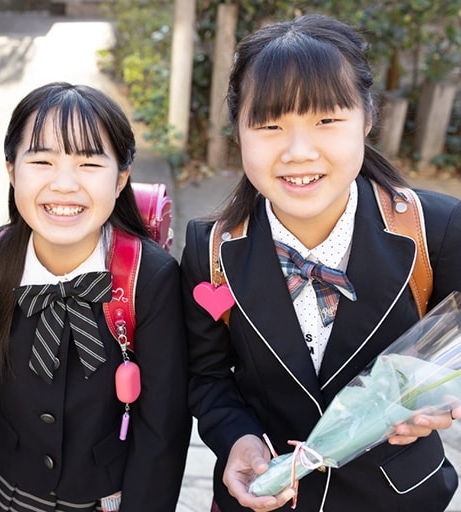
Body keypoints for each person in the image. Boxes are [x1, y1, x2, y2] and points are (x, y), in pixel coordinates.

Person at [182, 14, 461, 512]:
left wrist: (445, 402)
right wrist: (237, 441)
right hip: (268, 497)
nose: (298, 151)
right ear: (238, 132)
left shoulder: (433, 229)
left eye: (326, 120)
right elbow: (208, 377)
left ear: (367, 118)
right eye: (269, 125)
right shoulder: (211, 247)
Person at [0, 82, 190, 511]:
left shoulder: (149, 279)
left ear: (121, 179)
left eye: (89, 164)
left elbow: (163, 428)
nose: (64, 184)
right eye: (41, 161)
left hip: (108, 499)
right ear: (11, 170)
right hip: (7, 491)